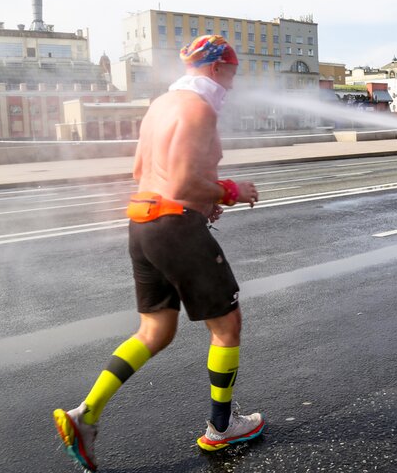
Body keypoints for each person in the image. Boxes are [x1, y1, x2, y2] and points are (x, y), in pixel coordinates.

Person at [53, 35, 264, 472]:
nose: (233, 82)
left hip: (143, 221)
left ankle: (85, 415)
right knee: (227, 325)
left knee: (155, 331)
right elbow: (184, 181)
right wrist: (230, 191)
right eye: (233, 72)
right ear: (219, 68)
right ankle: (223, 428)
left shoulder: (160, 107)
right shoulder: (200, 108)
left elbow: (141, 172)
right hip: (174, 225)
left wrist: (201, 202)